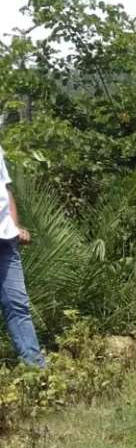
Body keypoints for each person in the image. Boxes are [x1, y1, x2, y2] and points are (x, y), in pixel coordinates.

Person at [0, 142, 45, 367]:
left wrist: (16, 227)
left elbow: (6, 190)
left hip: (6, 241)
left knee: (18, 305)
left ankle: (37, 371)